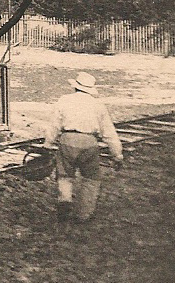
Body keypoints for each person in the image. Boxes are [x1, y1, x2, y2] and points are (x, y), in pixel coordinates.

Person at [43, 72, 123, 226]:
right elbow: (108, 132)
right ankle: (83, 214)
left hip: (67, 139)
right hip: (89, 142)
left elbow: (54, 125)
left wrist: (48, 144)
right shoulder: (98, 105)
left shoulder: (64, 100)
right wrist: (117, 154)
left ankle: (65, 200)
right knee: (91, 178)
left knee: (65, 175)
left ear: (75, 87)